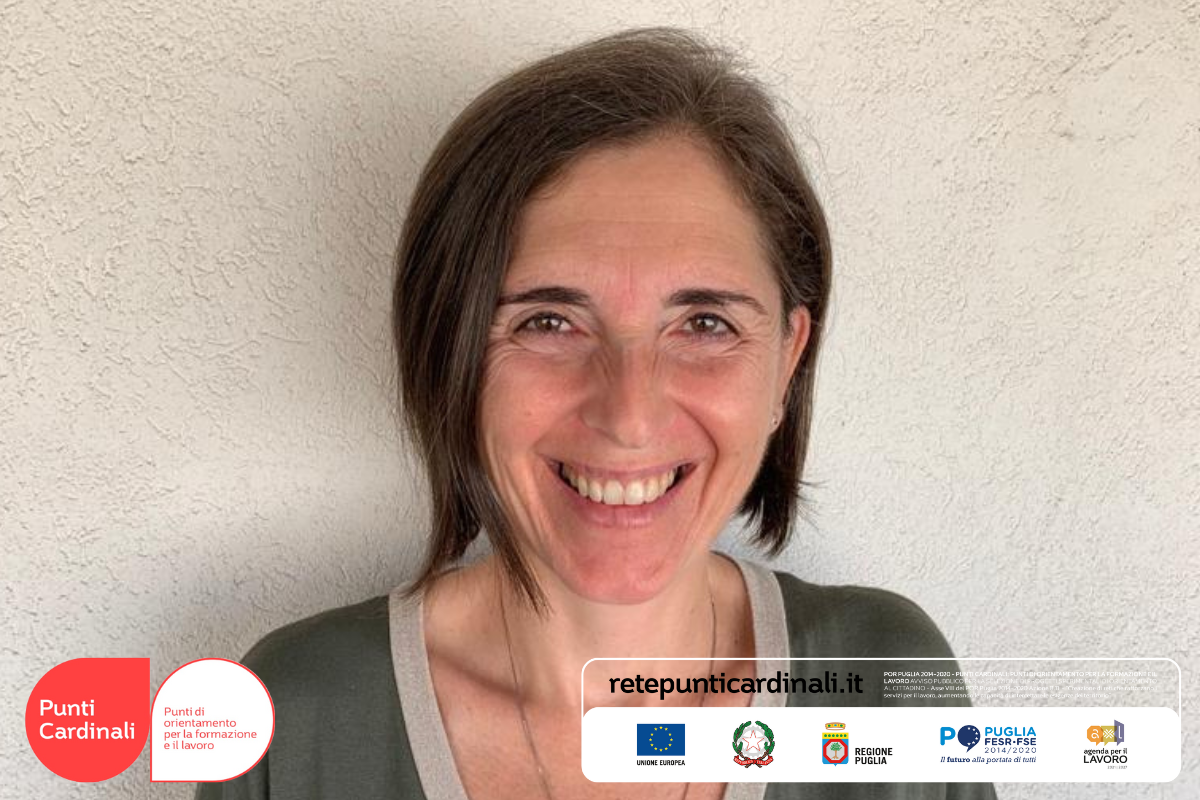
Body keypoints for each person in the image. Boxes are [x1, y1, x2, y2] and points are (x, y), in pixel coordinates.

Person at [198, 28, 996, 800]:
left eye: (705, 323)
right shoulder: (292, 722)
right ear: (449, 354)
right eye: (548, 322)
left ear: (786, 362)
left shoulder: (888, 687)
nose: (630, 416)